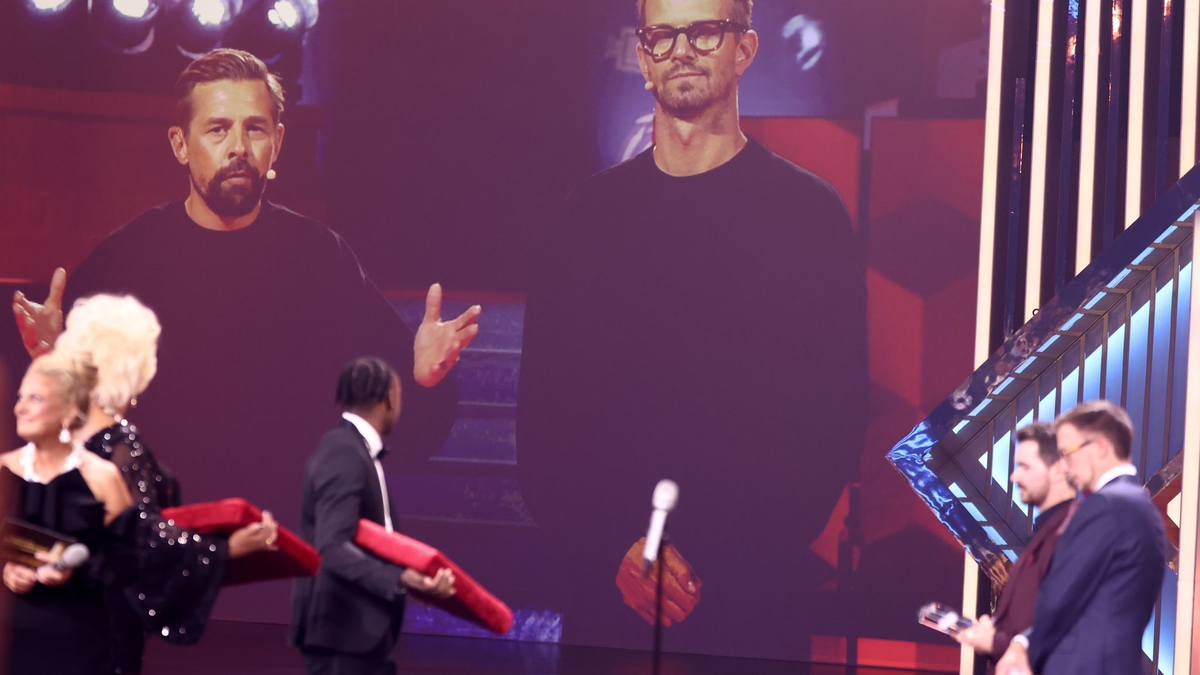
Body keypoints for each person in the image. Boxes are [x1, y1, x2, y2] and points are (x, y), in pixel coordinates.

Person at [11, 48, 479, 617]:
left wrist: (423, 380)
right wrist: (44, 359)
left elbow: (394, 432)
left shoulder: (321, 260)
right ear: (181, 146)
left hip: (283, 585)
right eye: (217, 129)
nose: (238, 147)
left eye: (254, 129)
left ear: (277, 143)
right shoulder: (129, 258)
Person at [516, 0, 867, 657]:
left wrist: (709, 557)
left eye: (704, 31)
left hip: (753, 604)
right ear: (644, 57)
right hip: (607, 597)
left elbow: (835, 420)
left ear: (745, 49)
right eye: (663, 34)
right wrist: (620, 546)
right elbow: (544, 427)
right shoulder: (583, 221)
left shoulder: (808, 215)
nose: (681, 48)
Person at [54, 293, 279, 673]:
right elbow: (143, 542)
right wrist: (225, 549)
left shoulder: (60, 440)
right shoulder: (120, 445)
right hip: (101, 627)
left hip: (55, 619)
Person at [290, 356, 456, 675]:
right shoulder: (343, 450)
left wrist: (410, 581)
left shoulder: (355, 450)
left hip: (360, 635)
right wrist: (399, 578)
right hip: (343, 634)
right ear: (390, 398)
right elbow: (332, 545)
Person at [996, 401, 1166, 675]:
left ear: (1100, 447)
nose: (1064, 465)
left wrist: (1022, 652)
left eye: (1068, 453)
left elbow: (1060, 596)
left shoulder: (1106, 506)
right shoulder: (1139, 506)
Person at [1, 352, 133, 674]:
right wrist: (5, 569)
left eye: (35, 398)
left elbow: (131, 562)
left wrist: (79, 571)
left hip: (82, 644)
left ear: (69, 409)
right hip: (10, 646)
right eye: (20, 397)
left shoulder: (102, 478)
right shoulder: (3, 469)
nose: (20, 408)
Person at [955, 423, 1076, 664]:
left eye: (1024, 466)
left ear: (1059, 468)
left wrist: (995, 642)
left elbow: (1068, 627)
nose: (1014, 476)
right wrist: (995, 630)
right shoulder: (1045, 532)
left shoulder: (1073, 535)